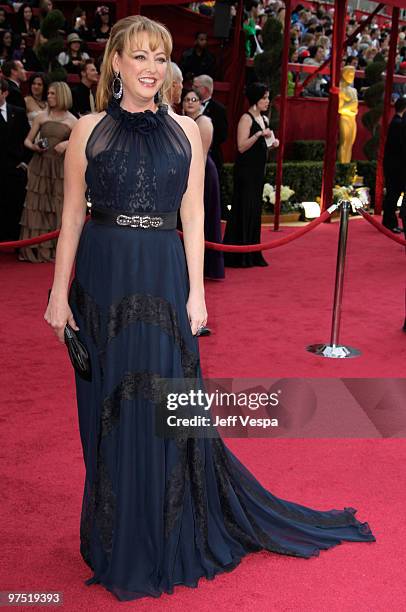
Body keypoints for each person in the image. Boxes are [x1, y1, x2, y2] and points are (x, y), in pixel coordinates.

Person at [44, 15, 375, 603]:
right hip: (102, 273)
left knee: (165, 403)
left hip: (163, 273)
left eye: (158, 57)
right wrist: (55, 293)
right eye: (137, 56)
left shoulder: (186, 133)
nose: (148, 68)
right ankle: (116, 532)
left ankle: (164, 530)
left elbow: (194, 216)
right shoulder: (88, 130)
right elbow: (71, 216)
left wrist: (197, 291)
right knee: (105, 407)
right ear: (115, 63)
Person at [19, 81, 77, 261]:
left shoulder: (72, 120)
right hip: (40, 165)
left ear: (62, 95)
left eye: (52, 94)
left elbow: (82, 143)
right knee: (37, 206)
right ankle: (35, 249)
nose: (49, 96)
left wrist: (67, 143)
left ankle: (56, 250)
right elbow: (27, 141)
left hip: (60, 168)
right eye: (49, 93)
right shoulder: (41, 117)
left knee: (58, 206)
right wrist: (35, 146)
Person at [223, 82, 279, 267]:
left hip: (257, 172)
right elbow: (241, 146)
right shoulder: (246, 119)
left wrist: (273, 142)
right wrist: (258, 136)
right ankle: (239, 254)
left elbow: (266, 145)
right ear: (256, 99)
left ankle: (253, 252)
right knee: (244, 207)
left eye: (268, 97)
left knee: (254, 209)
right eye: (264, 98)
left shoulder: (264, 119)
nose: (267, 101)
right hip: (245, 172)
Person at [182, 89, 224, 281]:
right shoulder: (184, 121)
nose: (190, 103)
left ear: (200, 103)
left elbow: (202, 155)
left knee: (202, 217)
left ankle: (207, 267)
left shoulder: (204, 122)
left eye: (194, 99)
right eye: (187, 99)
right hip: (188, 173)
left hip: (202, 173)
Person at [0, 76, 31, 241]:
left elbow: (27, 138)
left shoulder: (18, 113)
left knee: (14, 205)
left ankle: (12, 239)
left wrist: (25, 163)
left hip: (15, 169)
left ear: (4, 93)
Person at [192, 74, 228, 185]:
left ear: (205, 89)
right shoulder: (188, 103)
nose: (192, 88)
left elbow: (222, 135)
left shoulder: (219, 109)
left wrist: (205, 142)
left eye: (196, 87)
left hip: (211, 156)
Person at [382, 96, 406, 234]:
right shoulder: (398, 124)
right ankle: (390, 222)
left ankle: (389, 221)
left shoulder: (396, 122)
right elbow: (400, 148)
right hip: (395, 167)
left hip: (393, 165)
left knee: (393, 194)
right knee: (393, 194)